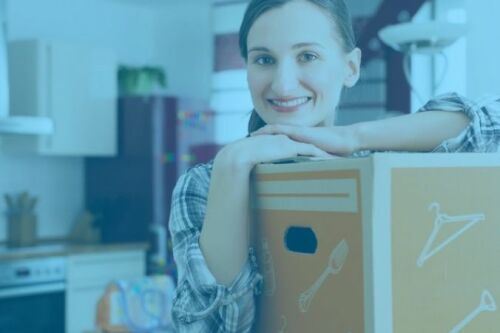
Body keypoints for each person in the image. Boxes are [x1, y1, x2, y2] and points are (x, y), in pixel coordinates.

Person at [168, 0, 500, 332]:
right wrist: (232, 164)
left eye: (307, 56)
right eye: (264, 59)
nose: (283, 84)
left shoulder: (381, 169)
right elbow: (206, 327)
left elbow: (492, 124)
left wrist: (354, 137)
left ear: (351, 68)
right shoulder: (206, 185)